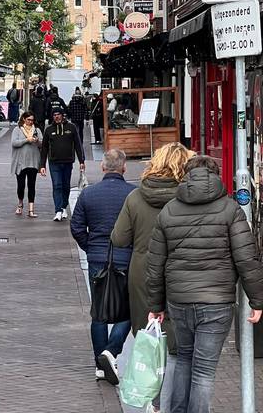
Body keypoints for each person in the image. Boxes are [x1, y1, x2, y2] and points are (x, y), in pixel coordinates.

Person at [147, 156, 263, 413]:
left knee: (185, 360)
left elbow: (155, 263)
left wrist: (155, 304)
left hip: (179, 300)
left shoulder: (169, 210)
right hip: (216, 301)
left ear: (185, 176)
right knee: (204, 371)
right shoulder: (230, 209)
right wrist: (257, 300)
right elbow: (246, 258)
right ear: (216, 175)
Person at [111, 142, 194, 410]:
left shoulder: (135, 197)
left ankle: (154, 401)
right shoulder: (187, 198)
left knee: (149, 337)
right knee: (178, 344)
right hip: (179, 271)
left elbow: (119, 238)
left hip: (143, 272)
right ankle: (173, 401)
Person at [70, 149, 134, 383]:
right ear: (124, 168)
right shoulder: (133, 195)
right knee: (127, 309)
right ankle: (112, 350)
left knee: (99, 310)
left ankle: (100, 363)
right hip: (127, 259)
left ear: (103, 167)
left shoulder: (88, 194)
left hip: (98, 259)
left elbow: (77, 227)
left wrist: (90, 248)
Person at [40, 107, 85, 222]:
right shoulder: (49, 130)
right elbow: (44, 148)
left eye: (58, 114)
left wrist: (81, 161)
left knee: (65, 186)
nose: (56, 117)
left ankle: (64, 206)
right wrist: (42, 165)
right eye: (54, 115)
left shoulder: (71, 127)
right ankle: (58, 210)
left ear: (62, 115)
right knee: (57, 185)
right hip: (54, 162)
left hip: (68, 161)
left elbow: (78, 145)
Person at [11, 111, 43, 218]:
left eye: (32, 120)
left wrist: (37, 141)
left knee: (32, 185)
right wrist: (26, 140)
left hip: (33, 161)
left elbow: (42, 144)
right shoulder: (17, 129)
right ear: (24, 119)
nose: (30, 122)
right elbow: (14, 143)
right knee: (21, 185)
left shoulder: (37, 130)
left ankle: (31, 210)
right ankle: (20, 203)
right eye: (28, 119)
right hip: (20, 162)